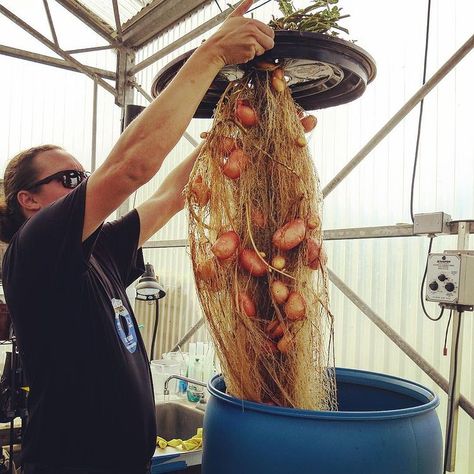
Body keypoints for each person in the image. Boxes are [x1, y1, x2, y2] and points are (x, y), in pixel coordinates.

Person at [0, 1, 274, 472]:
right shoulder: (36, 247)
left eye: (84, 175)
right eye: (69, 179)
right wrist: (211, 54)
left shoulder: (100, 249)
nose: (82, 185)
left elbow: (171, 195)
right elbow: (132, 169)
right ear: (28, 199)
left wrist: (225, 135)